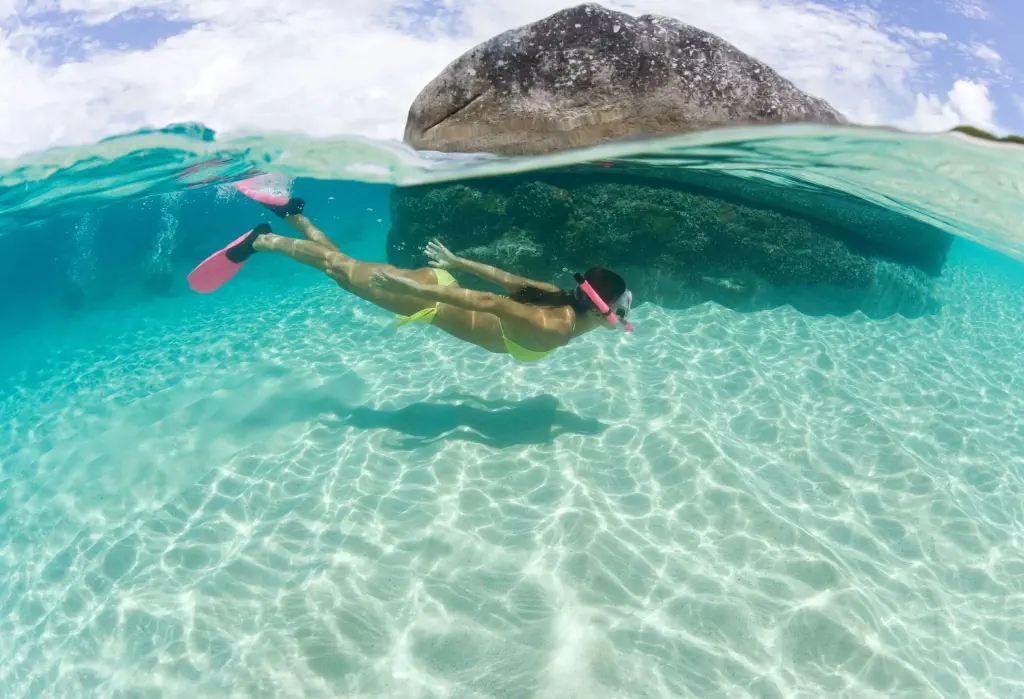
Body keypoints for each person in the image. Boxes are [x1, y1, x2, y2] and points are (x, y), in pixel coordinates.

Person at [188, 194, 634, 362]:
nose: (623, 318)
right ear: (604, 313)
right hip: (429, 298)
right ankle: (261, 241)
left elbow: (502, 277)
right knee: (339, 270)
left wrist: (455, 262)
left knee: (341, 265)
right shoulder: (554, 328)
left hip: (438, 287)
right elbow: (489, 303)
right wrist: (413, 288)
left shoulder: (557, 299)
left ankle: (294, 216)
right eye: (622, 311)